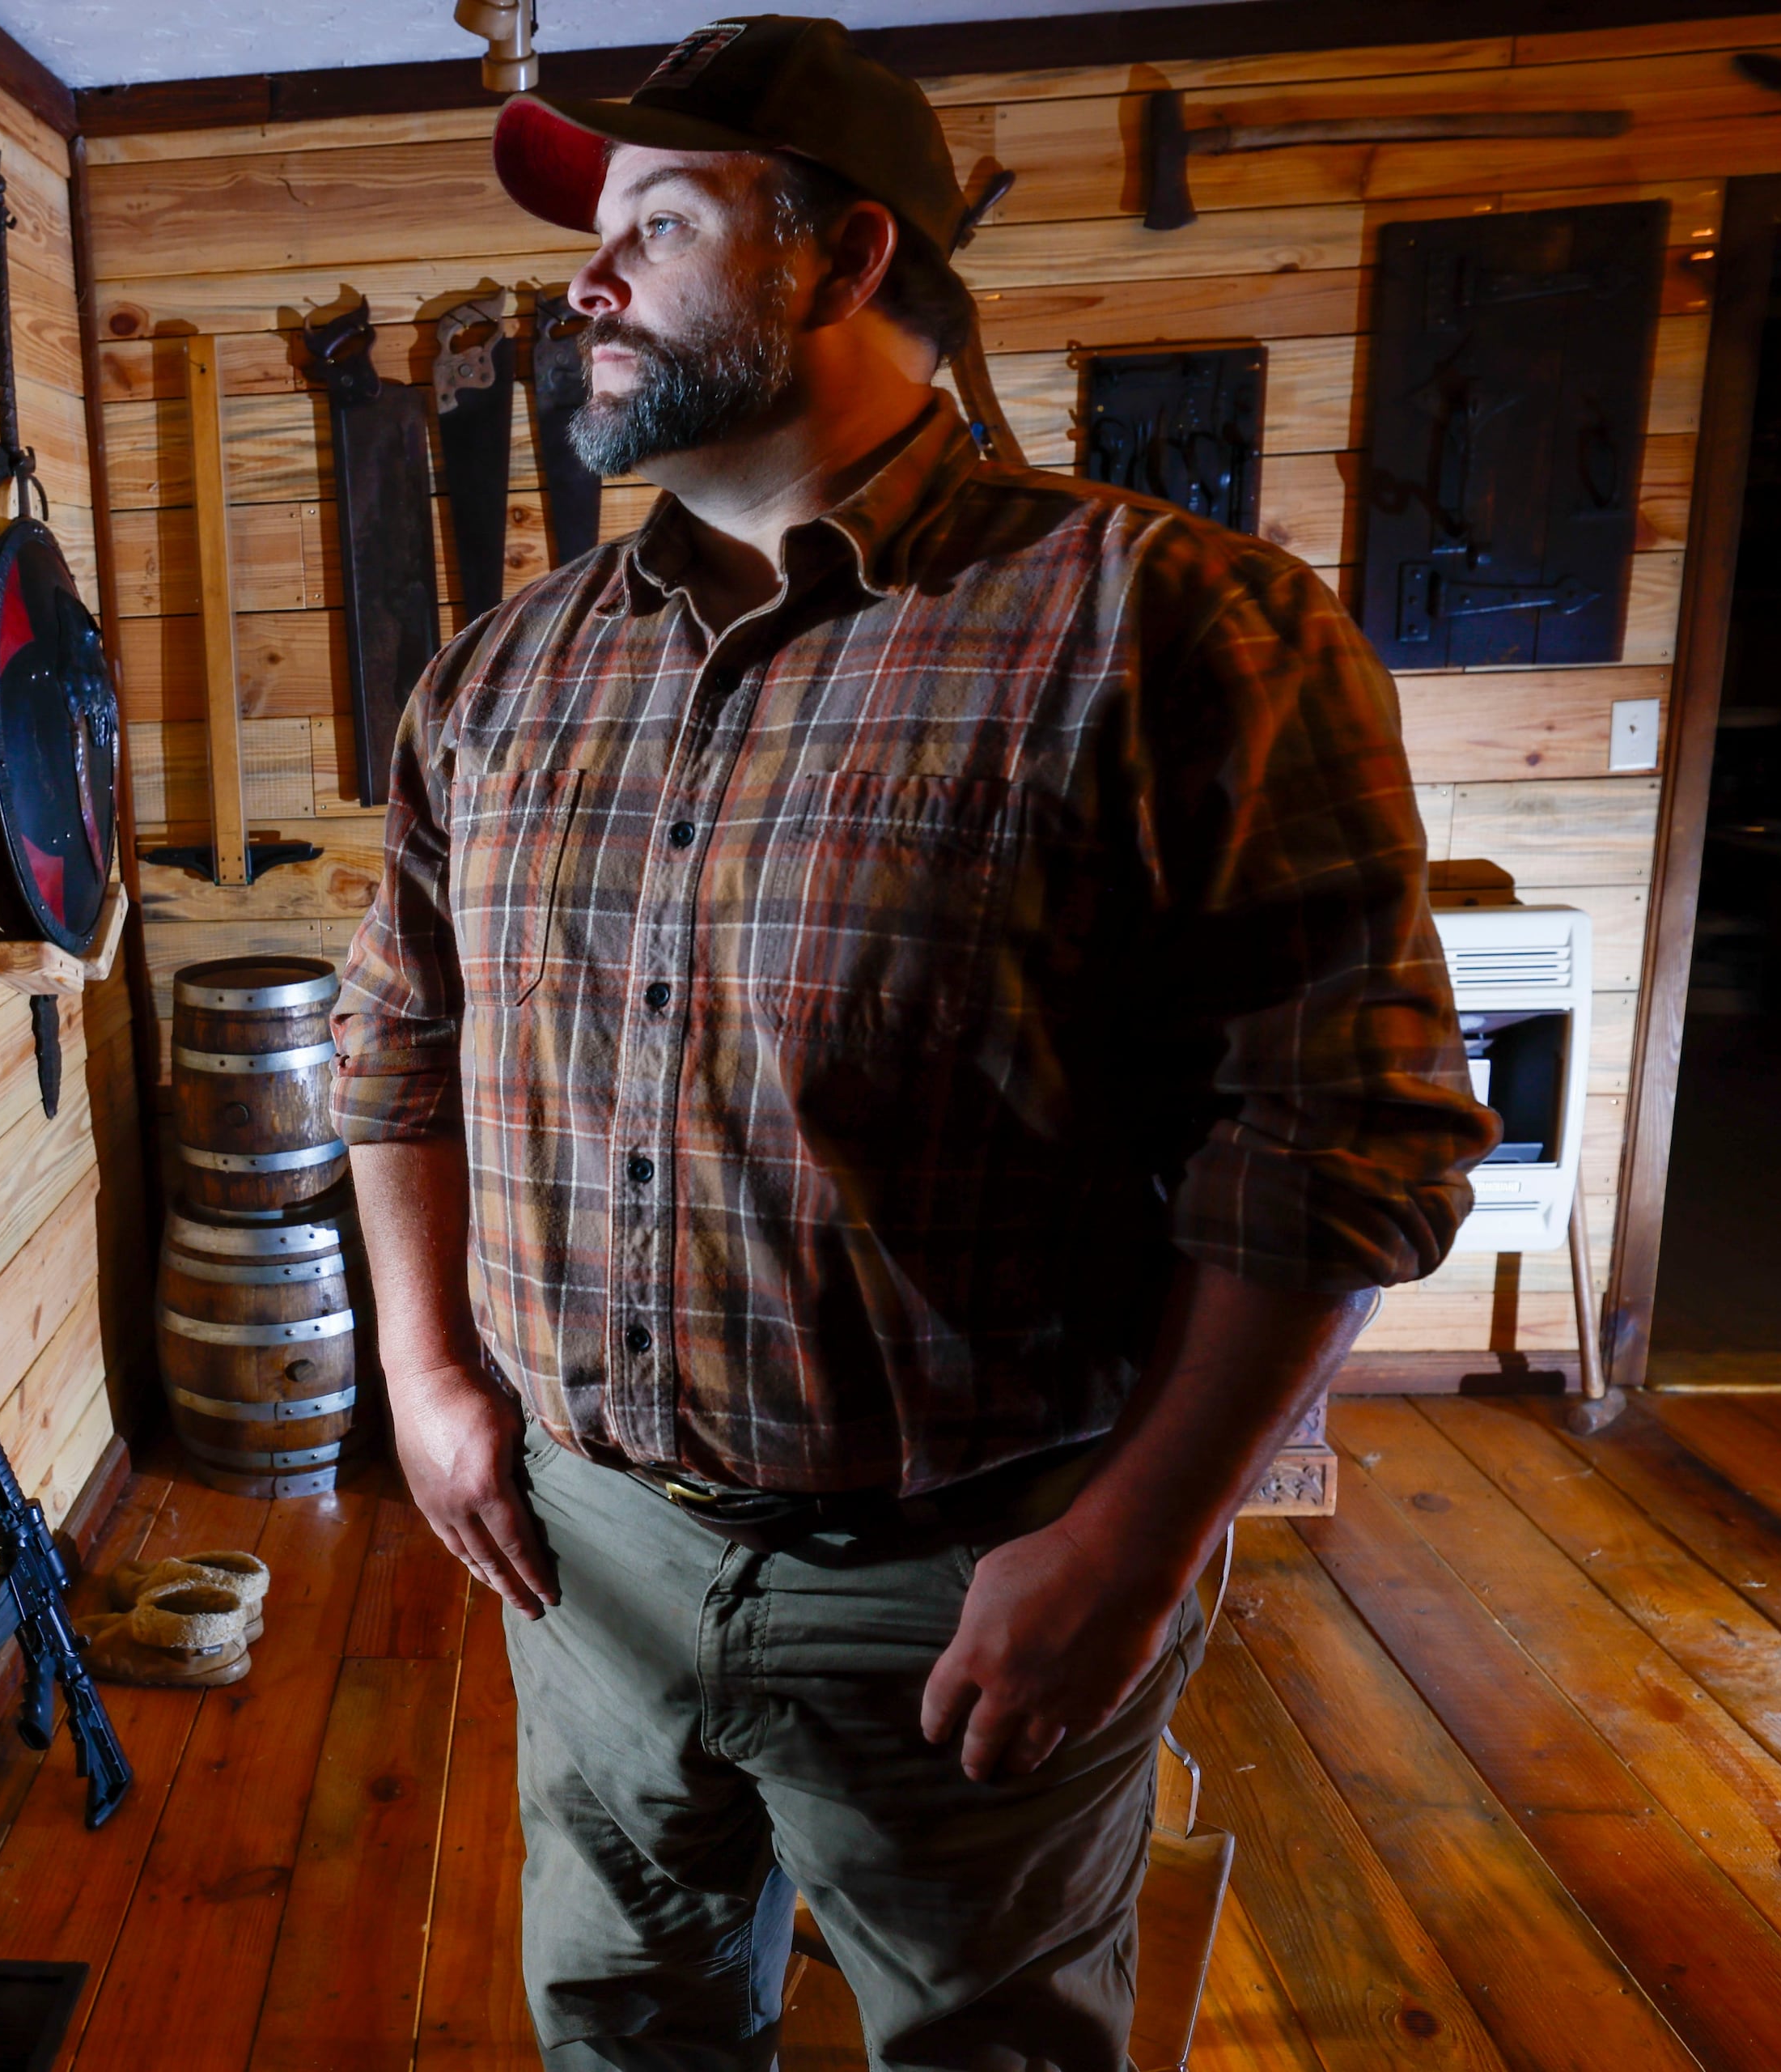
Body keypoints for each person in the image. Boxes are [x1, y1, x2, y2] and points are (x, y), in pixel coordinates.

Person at [329, 17, 1496, 2070]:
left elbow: (1340, 1139)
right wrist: (428, 1374)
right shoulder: (503, 672)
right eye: (591, 234)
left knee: (986, 2045)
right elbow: (397, 1036)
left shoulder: (1171, 626)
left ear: (846, 261)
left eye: (660, 225)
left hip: (967, 1574)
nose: (583, 284)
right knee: (621, 2014)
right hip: (578, 1545)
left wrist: (1132, 1547)